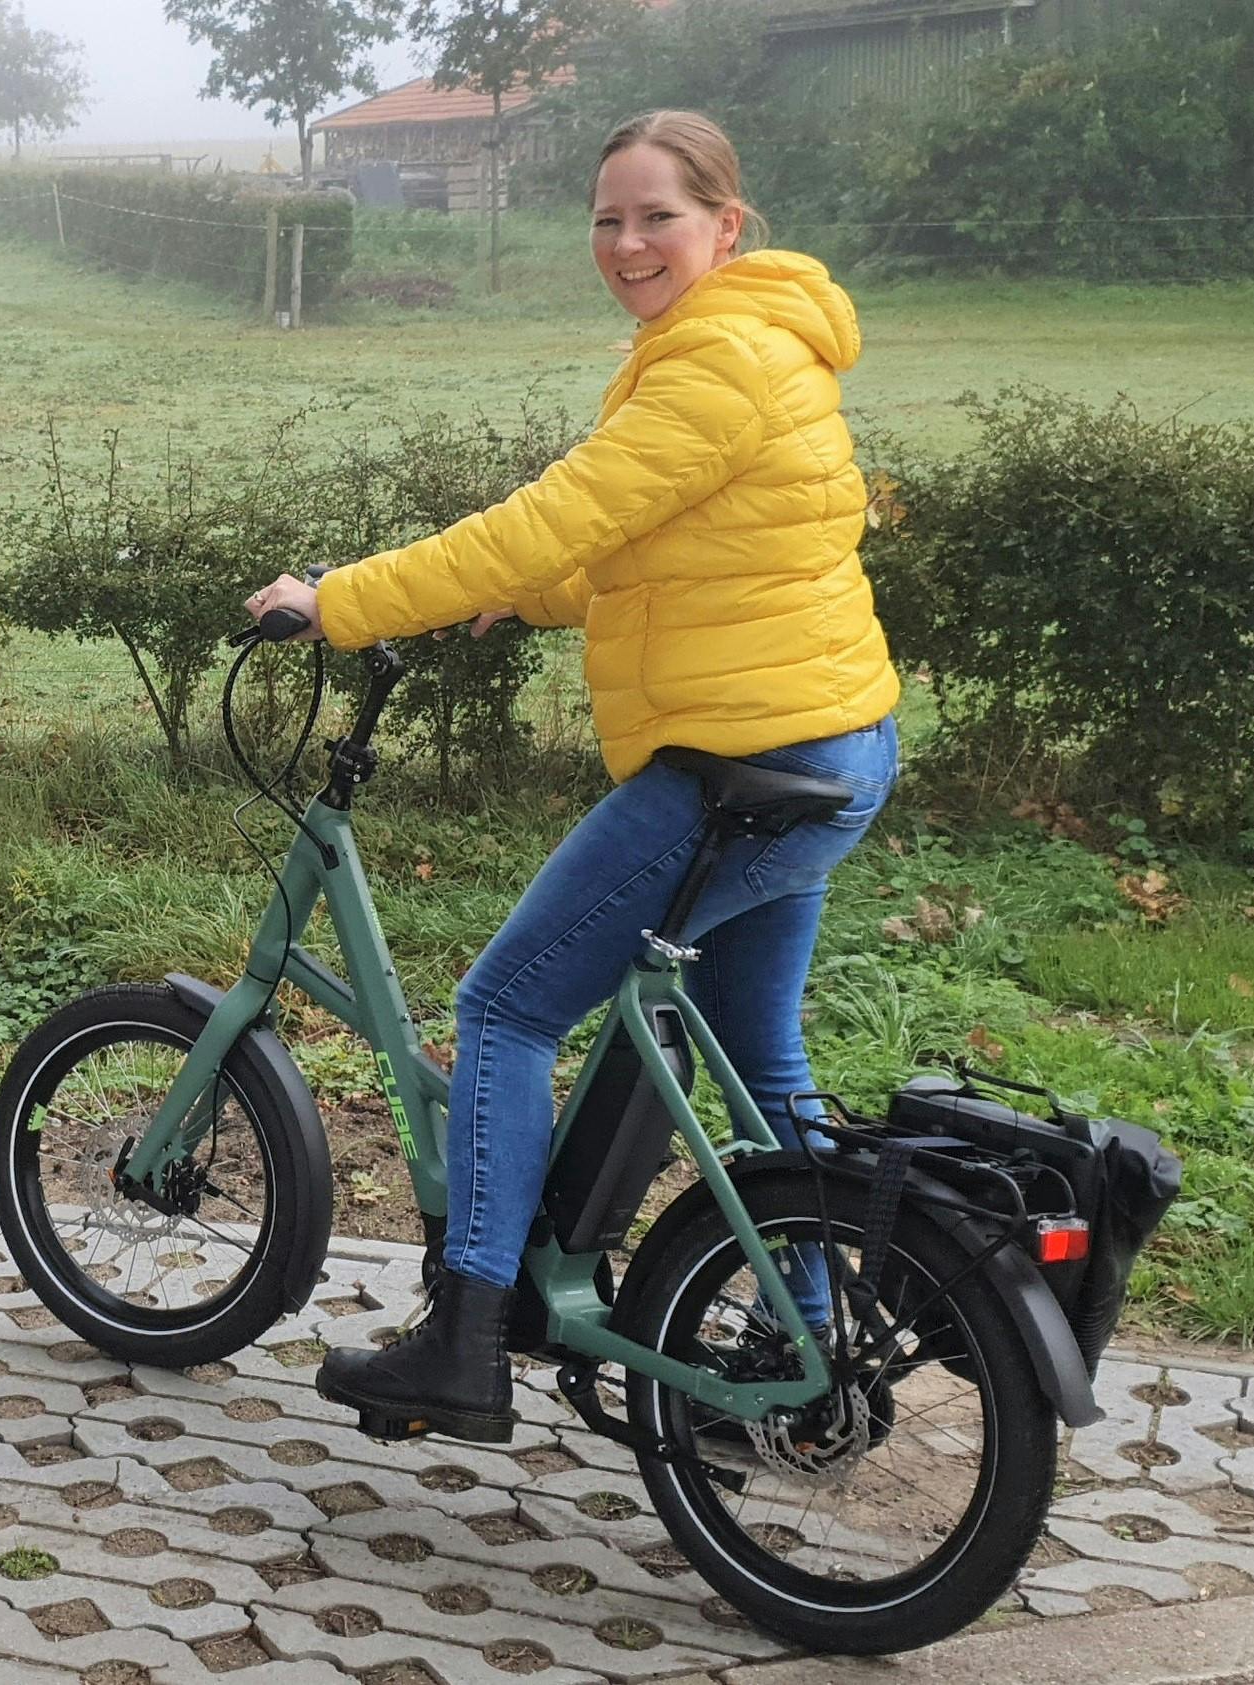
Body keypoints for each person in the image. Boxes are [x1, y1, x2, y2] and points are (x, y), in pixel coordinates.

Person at [243, 110, 901, 1444]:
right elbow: (647, 532)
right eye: (605, 218)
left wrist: (344, 601)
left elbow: (558, 511)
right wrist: (528, 597)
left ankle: (464, 1336)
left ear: (725, 222)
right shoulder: (754, 337)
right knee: (756, 1041)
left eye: (655, 214)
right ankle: (807, 1326)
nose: (625, 242)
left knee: (501, 1008)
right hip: (828, 744)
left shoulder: (711, 357)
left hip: (740, 758)